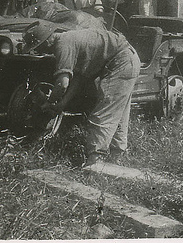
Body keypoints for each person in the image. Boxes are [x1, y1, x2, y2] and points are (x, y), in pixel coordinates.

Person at [22, 21, 141, 168]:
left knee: (103, 114)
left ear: (46, 42)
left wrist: (49, 102)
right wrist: (62, 104)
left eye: (38, 47)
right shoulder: (69, 39)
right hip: (128, 59)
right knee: (118, 113)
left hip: (121, 62)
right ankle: (116, 157)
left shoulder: (62, 45)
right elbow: (79, 78)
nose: (38, 51)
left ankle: (95, 162)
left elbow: (62, 83)